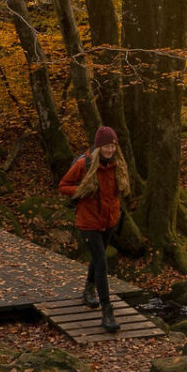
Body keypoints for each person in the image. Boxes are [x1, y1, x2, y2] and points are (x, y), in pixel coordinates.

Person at [58, 125, 129, 333]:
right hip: (88, 222)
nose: (110, 150)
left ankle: (88, 290)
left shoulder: (118, 164)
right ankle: (107, 313)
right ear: (99, 146)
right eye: (106, 146)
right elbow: (63, 186)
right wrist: (82, 190)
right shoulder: (84, 164)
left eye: (113, 146)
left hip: (109, 220)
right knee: (102, 262)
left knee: (98, 259)